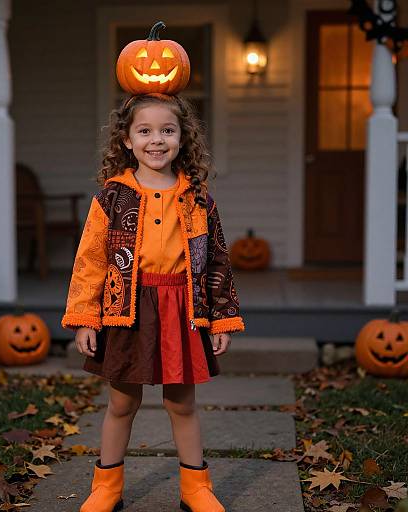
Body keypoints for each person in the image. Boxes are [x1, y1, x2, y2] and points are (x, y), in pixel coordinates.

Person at [62, 92, 244, 512]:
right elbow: (91, 260)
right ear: (127, 140)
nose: (156, 140)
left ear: (183, 138)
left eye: (167, 130)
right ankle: (106, 485)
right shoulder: (112, 197)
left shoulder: (198, 199)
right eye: (144, 131)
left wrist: (222, 319)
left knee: (181, 402)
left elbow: (216, 257)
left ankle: (195, 487)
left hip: (184, 309)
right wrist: (87, 318)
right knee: (123, 401)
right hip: (127, 309)